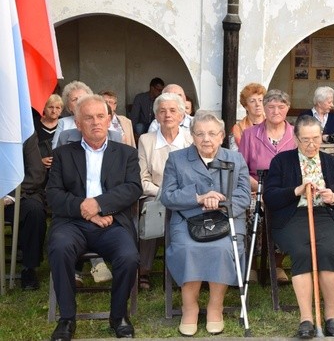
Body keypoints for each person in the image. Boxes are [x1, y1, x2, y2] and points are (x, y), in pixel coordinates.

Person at [47, 94, 142, 341]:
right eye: (88, 118)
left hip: (111, 222)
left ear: (109, 120)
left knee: (129, 256)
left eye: (101, 116)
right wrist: (85, 208)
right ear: (77, 124)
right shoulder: (62, 154)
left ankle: (118, 315)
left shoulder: (126, 153)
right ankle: (67, 318)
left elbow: (133, 188)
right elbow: (53, 196)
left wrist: (100, 205)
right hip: (72, 223)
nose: (95, 122)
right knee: (59, 248)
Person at [160, 111, 250, 336]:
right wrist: (198, 198)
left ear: (221, 136)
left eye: (212, 133)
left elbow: (244, 195)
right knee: (188, 248)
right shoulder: (177, 159)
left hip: (225, 218)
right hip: (188, 218)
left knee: (222, 248)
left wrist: (220, 201)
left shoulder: (235, 159)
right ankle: (189, 307)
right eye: (200, 134)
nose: (206, 139)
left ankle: (215, 306)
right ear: (192, 136)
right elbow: (168, 196)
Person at [263, 115, 334, 338]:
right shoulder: (281, 161)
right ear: (295, 139)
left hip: (326, 215)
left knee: (327, 249)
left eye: (316, 138)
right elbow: (270, 197)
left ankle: (331, 314)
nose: (311, 144)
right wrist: (296, 190)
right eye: (305, 140)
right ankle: (306, 317)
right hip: (291, 216)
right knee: (303, 251)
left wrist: (333, 198)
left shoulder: (332, 163)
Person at [238, 89, 296, 283]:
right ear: (264, 108)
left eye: (281, 106)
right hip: (256, 188)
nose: (276, 111)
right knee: (249, 210)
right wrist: (258, 188)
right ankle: (252, 264)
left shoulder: (296, 134)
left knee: (289, 210)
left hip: (286, 191)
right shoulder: (249, 134)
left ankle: (277, 263)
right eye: (270, 106)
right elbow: (240, 169)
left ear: (288, 108)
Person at [137, 92, 192, 290]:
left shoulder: (191, 140)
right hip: (155, 195)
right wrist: (165, 194)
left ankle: (184, 271)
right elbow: (142, 179)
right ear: (156, 116)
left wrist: (178, 196)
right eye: (162, 111)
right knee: (152, 211)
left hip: (185, 197)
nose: (167, 115)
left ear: (181, 115)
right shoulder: (146, 140)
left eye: (172, 110)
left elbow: (196, 177)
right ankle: (144, 270)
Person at [2, 133, 47, 290]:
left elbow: (36, 173)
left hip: (18, 195)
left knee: (34, 211)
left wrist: (9, 196)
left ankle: (29, 268)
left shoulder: (24, 132)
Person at [51, 80, 94, 149]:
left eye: (82, 98)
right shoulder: (63, 122)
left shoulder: (100, 119)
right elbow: (56, 149)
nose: (79, 101)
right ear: (69, 107)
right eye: (74, 99)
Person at [230, 82, 266, 149]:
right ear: (246, 106)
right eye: (252, 101)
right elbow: (235, 156)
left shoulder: (273, 124)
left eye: (260, 100)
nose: (258, 104)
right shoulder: (238, 129)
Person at [34, 94, 63, 171]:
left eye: (57, 108)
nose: (54, 111)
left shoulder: (65, 124)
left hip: (59, 169)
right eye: (50, 107)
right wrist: (39, 161)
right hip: (37, 172)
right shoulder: (33, 124)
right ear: (44, 108)